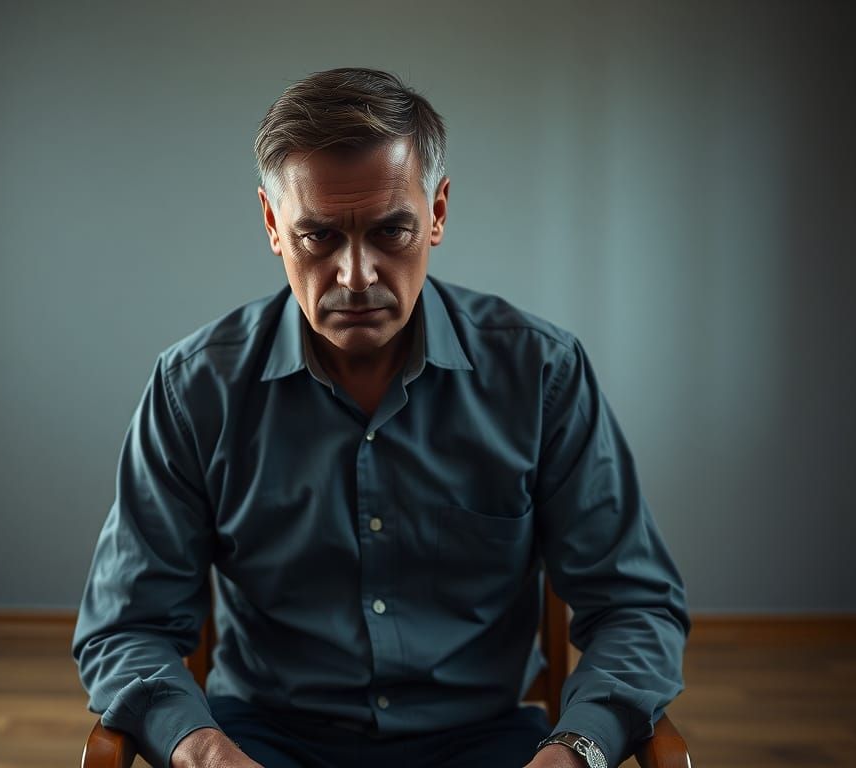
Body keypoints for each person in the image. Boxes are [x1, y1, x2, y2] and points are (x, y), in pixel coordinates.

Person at [72, 67, 690, 768]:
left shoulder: (542, 375)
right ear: (273, 225)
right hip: (262, 742)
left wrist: (576, 750)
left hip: (485, 742)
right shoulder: (194, 391)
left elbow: (635, 606)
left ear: (438, 212)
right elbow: (127, 626)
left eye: (391, 231)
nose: (357, 276)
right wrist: (204, 751)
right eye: (318, 237)